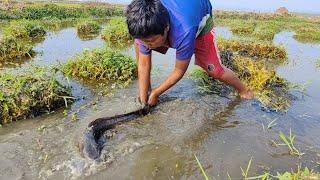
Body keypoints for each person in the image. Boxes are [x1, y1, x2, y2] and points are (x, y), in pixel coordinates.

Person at [125, 0, 253, 106]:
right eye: (144, 40)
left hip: (200, 17)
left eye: (151, 40)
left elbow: (179, 71)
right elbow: (143, 64)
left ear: (166, 28)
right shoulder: (145, 26)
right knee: (140, 45)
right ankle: (146, 91)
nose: (147, 44)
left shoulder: (185, 30)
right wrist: (143, 97)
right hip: (179, 14)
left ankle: (244, 90)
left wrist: (156, 93)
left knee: (213, 69)